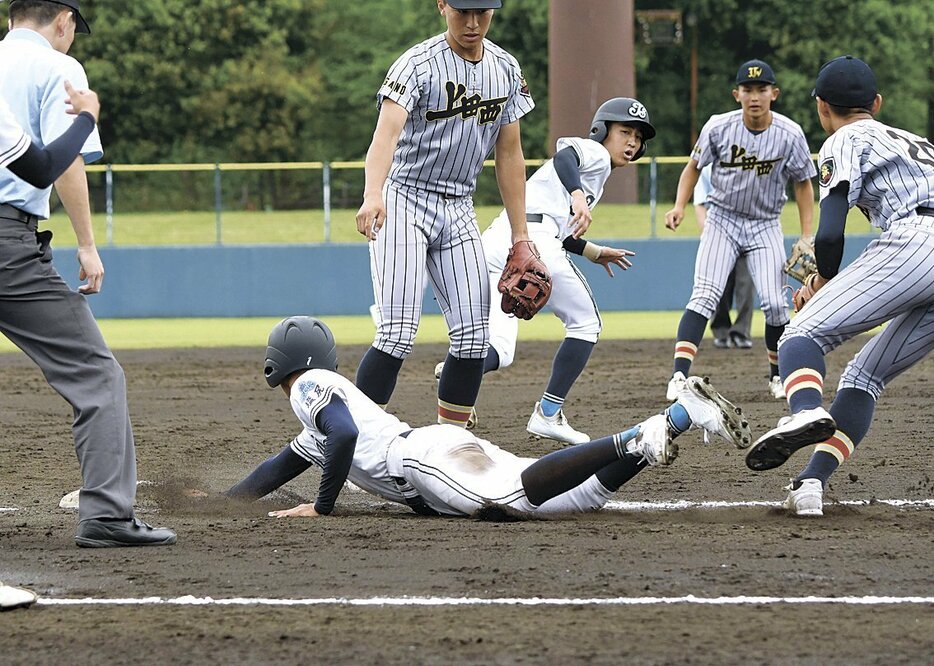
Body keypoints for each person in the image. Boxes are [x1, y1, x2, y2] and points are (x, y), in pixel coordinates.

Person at [226, 317, 752, 519]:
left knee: (511, 498)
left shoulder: (310, 387)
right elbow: (278, 468)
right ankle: (681, 415)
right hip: (432, 450)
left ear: (283, 362)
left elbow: (341, 436)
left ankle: (641, 434)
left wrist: (322, 508)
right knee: (580, 498)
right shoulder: (324, 408)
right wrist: (223, 504)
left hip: (418, 460)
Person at [0, 0, 175, 547]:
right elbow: (54, 165)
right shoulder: (59, 67)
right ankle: (105, 515)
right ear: (63, 20)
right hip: (8, 245)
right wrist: (87, 244)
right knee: (97, 376)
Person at [745, 55, 934, 517]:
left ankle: (806, 409)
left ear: (821, 107)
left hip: (916, 241)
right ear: (877, 102)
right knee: (864, 377)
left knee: (800, 336)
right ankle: (810, 485)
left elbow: (830, 231)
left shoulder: (845, 138)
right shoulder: (920, 142)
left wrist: (821, 281)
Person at [353, 0, 537, 429]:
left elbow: (509, 152)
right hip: (404, 200)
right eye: (461, 11)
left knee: (475, 338)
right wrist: (372, 194)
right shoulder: (416, 65)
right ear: (441, 6)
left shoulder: (506, 69)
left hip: (458, 207)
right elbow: (386, 135)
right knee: (397, 333)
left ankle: (449, 446)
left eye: (483, 12)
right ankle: (356, 441)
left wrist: (521, 236)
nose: (472, 23)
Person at [436, 97, 651, 445]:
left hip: (500, 238)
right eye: (625, 132)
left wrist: (594, 252)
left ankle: (453, 373)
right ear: (601, 131)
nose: (632, 142)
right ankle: (548, 414)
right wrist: (578, 194)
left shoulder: (596, 175)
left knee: (497, 351)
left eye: (638, 138)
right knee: (586, 323)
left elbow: (560, 232)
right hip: (532, 239)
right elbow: (566, 155)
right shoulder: (594, 154)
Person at [664, 59, 816, 400]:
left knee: (777, 304)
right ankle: (677, 377)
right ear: (737, 94)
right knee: (704, 296)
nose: (755, 96)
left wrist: (807, 234)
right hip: (722, 220)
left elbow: (804, 184)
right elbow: (692, 168)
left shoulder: (790, 134)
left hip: (765, 224)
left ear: (774, 94)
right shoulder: (718, 128)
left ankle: (777, 376)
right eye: (747, 89)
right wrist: (678, 206)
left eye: (762, 89)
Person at [693, 163, 755, 350]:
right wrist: (709, 233)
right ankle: (721, 331)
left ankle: (742, 332)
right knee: (719, 287)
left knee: (746, 287)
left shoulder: (747, 165)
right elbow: (700, 203)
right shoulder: (708, 169)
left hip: (748, 232)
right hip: (720, 234)